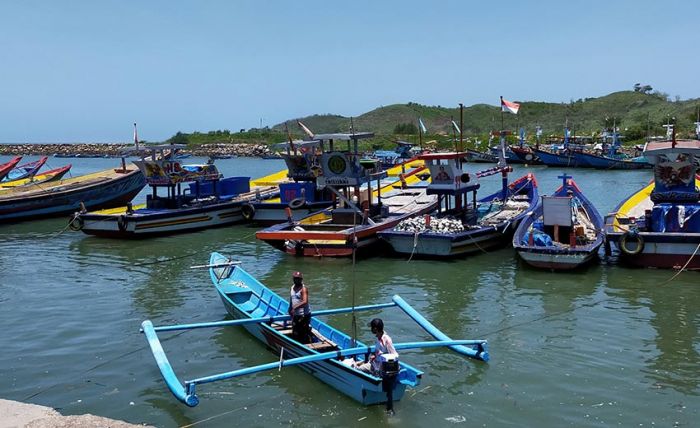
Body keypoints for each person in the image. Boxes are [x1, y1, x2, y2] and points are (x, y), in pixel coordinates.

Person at [288, 271, 312, 344]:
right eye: (295, 278)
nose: (297, 280)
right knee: (295, 332)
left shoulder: (303, 289)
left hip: (303, 315)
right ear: (293, 279)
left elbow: (305, 301)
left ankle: (307, 345)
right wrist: (290, 308)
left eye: (298, 279)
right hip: (296, 315)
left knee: (303, 334)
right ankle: (297, 344)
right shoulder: (292, 287)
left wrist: (294, 308)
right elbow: (291, 299)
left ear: (301, 279)